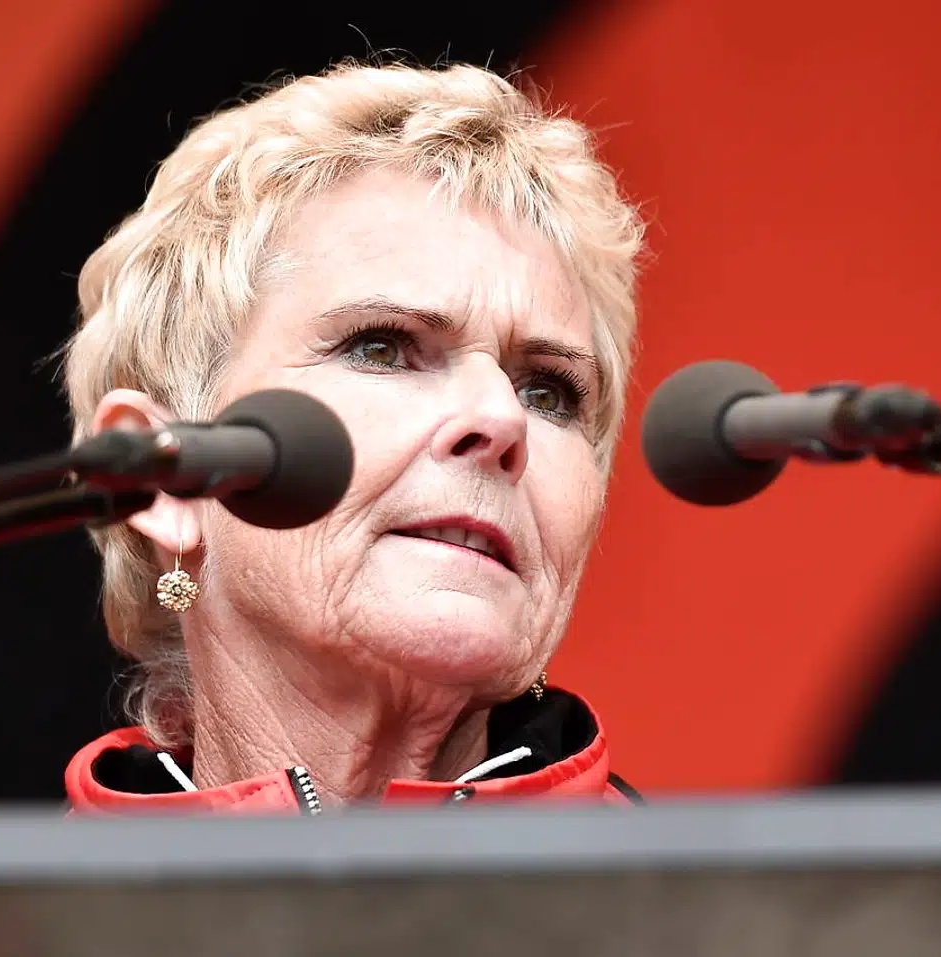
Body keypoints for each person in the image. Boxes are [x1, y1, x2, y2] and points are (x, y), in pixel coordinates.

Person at [62, 61, 645, 812]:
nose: (502, 419)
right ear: (163, 481)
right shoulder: (0, 894)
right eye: (383, 347)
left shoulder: (710, 893)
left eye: (548, 392)